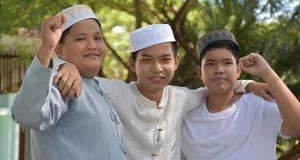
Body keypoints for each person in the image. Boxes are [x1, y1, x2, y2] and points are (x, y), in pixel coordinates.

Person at [56, 24, 270, 159]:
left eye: (165, 59)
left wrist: (246, 84)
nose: (157, 69)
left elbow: (213, 88)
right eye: (146, 60)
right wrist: (68, 66)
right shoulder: (116, 92)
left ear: (176, 62)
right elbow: (89, 82)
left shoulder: (183, 97)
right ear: (133, 64)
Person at [11, 4, 126, 160]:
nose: (92, 45)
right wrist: (47, 48)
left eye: (98, 38)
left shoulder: (99, 87)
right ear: (59, 50)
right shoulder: (62, 80)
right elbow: (27, 114)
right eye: (80, 38)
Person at [182, 29, 300, 160]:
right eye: (210, 64)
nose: (219, 70)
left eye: (227, 63)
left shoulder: (259, 105)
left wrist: (266, 72)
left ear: (238, 70)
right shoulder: (186, 118)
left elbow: (297, 127)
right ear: (199, 72)